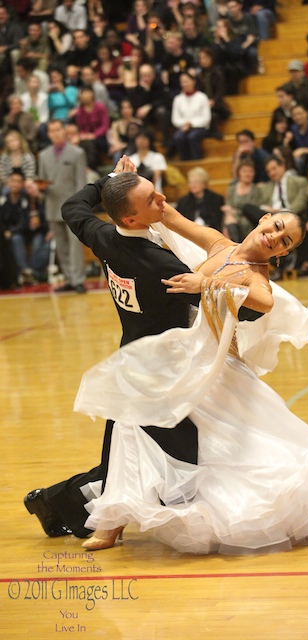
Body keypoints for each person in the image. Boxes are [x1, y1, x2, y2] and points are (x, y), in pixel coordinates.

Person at [72, 164, 308, 555]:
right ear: (265, 218)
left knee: (224, 448)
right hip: (179, 353)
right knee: (131, 424)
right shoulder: (218, 243)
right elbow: (165, 213)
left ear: (283, 254)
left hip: (212, 366)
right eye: (277, 226)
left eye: (285, 242)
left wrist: (207, 283)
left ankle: (121, 520)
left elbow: (263, 302)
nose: (275, 238)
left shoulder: (256, 276)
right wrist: (123, 182)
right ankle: (113, 520)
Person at [23, 155, 215, 538]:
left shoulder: (104, 236)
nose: (162, 199)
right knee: (174, 453)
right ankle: (72, 507)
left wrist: (112, 181)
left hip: (132, 359)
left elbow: (71, 206)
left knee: (122, 459)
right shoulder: (157, 262)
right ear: (131, 218)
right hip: (160, 370)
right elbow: (229, 311)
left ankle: (54, 502)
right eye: (151, 200)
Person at [37, 119, 87, 293]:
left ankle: (78, 279)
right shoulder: (43, 155)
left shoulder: (77, 153)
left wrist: (81, 207)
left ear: (64, 131)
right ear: (48, 134)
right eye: (51, 131)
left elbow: (81, 183)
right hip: (52, 204)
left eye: (58, 129)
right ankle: (69, 279)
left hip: (72, 207)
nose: (55, 133)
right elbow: (41, 181)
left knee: (74, 246)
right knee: (61, 246)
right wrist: (40, 188)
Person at [0, 170, 50, 284]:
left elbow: (26, 221)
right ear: (8, 182)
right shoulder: (3, 199)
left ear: (22, 184)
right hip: (10, 233)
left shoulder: (27, 199)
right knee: (16, 238)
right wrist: (7, 231)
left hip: (28, 232)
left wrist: (11, 231)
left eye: (18, 182)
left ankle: (28, 272)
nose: (15, 184)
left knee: (40, 241)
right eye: (13, 181)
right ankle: (26, 272)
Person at [170, 71, 211, 161]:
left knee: (192, 137)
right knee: (178, 137)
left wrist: (191, 124)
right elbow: (175, 119)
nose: (184, 84)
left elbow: (206, 118)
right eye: (182, 82)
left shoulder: (202, 97)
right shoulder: (178, 99)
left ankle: (196, 160)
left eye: (186, 81)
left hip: (200, 127)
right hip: (183, 127)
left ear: (193, 81)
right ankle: (184, 161)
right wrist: (185, 124)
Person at [222, 158, 264, 241]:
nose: (248, 174)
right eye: (244, 171)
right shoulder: (231, 189)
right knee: (229, 219)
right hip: (233, 220)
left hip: (249, 222)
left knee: (232, 219)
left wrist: (234, 211)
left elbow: (252, 211)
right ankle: (235, 246)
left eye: (250, 171)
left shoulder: (257, 190)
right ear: (239, 173)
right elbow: (227, 208)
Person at [176, 166, 224, 231]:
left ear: (204, 184)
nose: (192, 185)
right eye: (190, 182)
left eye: (196, 182)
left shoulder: (216, 199)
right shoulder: (183, 201)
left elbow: (217, 220)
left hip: (210, 232)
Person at [128, 125, 167, 192]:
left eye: (144, 138)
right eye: (139, 138)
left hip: (154, 192)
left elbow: (156, 177)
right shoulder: (130, 159)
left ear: (150, 140)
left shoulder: (158, 157)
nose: (141, 141)